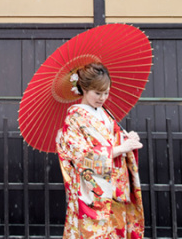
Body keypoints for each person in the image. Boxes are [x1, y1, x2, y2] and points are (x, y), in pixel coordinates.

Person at [55, 62, 145, 239]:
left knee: (116, 231)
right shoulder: (74, 119)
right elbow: (82, 158)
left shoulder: (105, 113)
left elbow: (113, 140)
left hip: (114, 188)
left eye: (106, 93)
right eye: (97, 93)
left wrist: (128, 140)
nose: (102, 98)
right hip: (92, 190)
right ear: (84, 89)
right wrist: (121, 148)